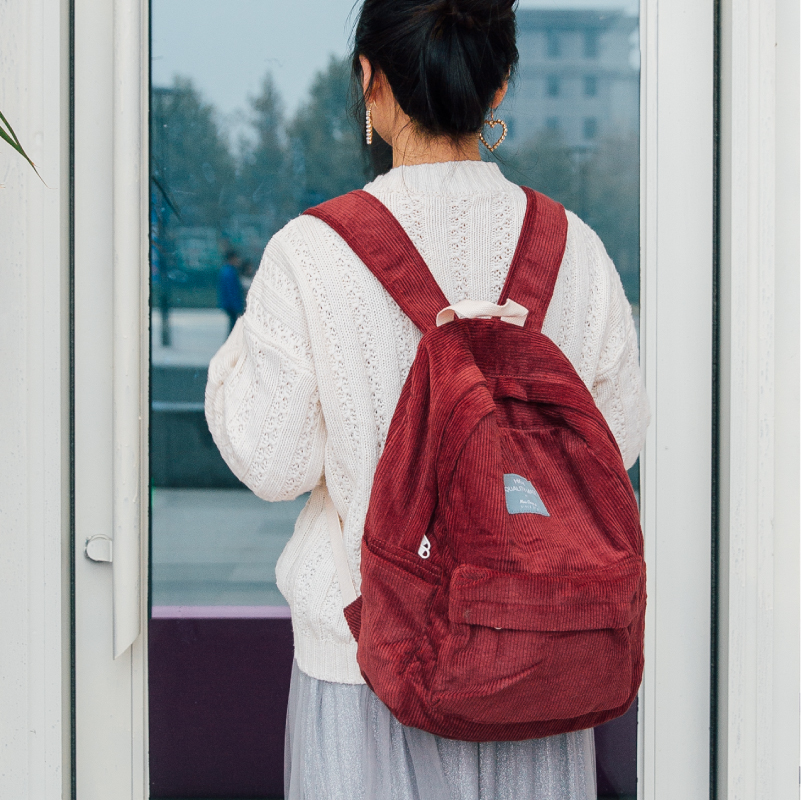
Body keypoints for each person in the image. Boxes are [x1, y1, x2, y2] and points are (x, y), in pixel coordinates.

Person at [205, 1, 649, 797]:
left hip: (368, 666)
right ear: (499, 85)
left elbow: (274, 461)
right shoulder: (574, 250)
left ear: (369, 80)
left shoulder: (310, 254)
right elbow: (615, 447)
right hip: (537, 664)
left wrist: (229, 371)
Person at [217, 248, 245, 333]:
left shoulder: (226, 270)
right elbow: (232, 291)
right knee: (233, 326)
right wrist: (237, 306)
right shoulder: (229, 272)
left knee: (233, 325)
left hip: (229, 304)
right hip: (231, 304)